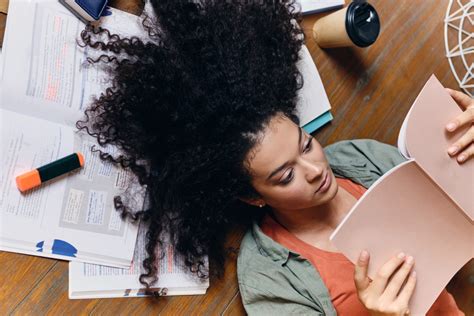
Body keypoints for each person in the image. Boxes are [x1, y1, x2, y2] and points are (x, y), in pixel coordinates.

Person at [76, 0, 472, 314]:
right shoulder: (269, 280)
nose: (317, 169)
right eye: (285, 177)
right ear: (253, 196)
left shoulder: (360, 158)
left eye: (305, 144)